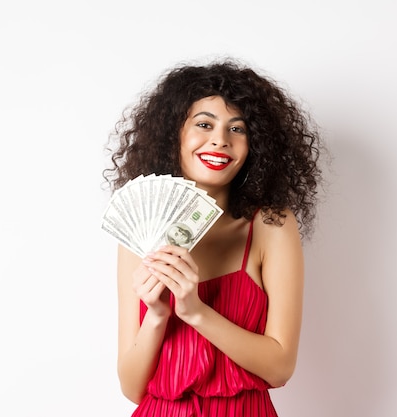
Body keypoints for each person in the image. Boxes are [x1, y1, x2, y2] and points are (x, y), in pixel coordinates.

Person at [102, 57, 323, 417]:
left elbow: (280, 366)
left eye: (237, 129)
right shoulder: (140, 234)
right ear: (174, 133)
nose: (220, 141)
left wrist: (195, 312)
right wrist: (157, 315)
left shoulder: (271, 225)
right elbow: (131, 387)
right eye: (204, 124)